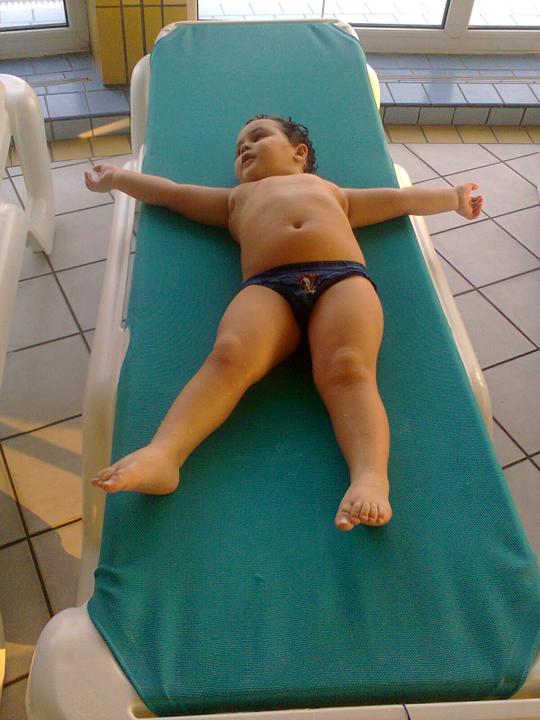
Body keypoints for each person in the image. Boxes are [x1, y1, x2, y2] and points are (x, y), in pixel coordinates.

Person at [84, 114, 483, 530]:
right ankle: (164, 454)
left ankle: (370, 477)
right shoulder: (236, 198)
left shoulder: (329, 190)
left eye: (257, 137)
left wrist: (453, 198)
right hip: (268, 286)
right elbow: (174, 194)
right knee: (229, 356)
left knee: (349, 369)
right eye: (238, 147)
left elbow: (400, 201)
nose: (244, 147)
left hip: (341, 278)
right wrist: (118, 179)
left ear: (299, 153)